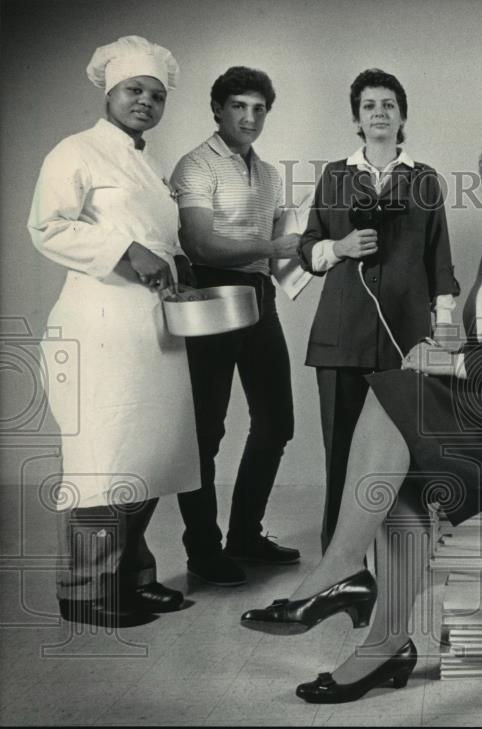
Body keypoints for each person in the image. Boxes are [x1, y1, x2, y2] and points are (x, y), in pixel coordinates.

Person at [241, 101, 482, 703]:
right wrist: (443, 350)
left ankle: (338, 575)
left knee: (396, 398)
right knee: (400, 467)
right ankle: (384, 641)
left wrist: (456, 363)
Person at [27, 35, 197, 627]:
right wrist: (125, 250)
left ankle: (129, 577)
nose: (145, 101)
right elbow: (47, 228)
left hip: (150, 330)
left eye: (155, 94)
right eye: (134, 91)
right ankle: (83, 590)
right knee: (104, 462)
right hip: (98, 326)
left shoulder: (146, 164)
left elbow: (158, 237)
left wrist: (177, 263)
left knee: (148, 456)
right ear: (109, 92)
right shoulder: (74, 152)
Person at [297, 68, 460, 552]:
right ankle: (338, 563)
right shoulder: (335, 175)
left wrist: (446, 328)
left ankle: (400, 555)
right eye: (369, 106)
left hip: (403, 339)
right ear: (357, 118)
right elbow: (307, 249)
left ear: (402, 115)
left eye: (388, 104)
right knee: (341, 451)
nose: (380, 113)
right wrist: (340, 247)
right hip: (341, 337)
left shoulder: (424, 180)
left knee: (403, 452)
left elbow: (440, 257)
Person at [170, 67, 300, 586]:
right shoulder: (196, 165)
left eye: (259, 109)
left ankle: (245, 534)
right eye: (239, 107)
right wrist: (272, 248)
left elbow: (284, 248)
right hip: (210, 292)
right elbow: (201, 243)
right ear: (218, 110)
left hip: (258, 295)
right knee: (207, 431)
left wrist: (320, 253)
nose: (249, 118)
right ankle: (203, 549)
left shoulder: (267, 173)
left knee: (277, 422)